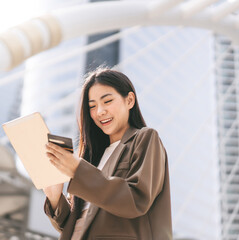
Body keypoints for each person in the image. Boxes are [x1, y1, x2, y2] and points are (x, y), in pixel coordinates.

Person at [44, 68, 172, 240]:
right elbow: (74, 223)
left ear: (130, 100)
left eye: (107, 101)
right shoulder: (92, 158)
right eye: (92, 106)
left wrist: (77, 169)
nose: (99, 112)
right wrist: (54, 198)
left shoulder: (145, 138)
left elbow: (136, 200)